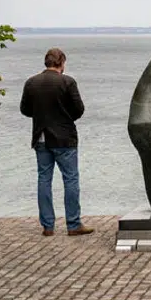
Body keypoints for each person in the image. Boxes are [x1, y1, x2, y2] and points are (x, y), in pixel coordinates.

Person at [20, 48, 92, 237]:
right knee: (70, 179)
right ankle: (73, 224)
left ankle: (48, 225)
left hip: (41, 136)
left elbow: (25, 109)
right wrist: (64, 117)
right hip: (64, 137)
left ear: (46, 62)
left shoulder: (31, 82)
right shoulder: (67, 82)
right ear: (61, 62)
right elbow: (79, 109)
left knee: (44, 179)